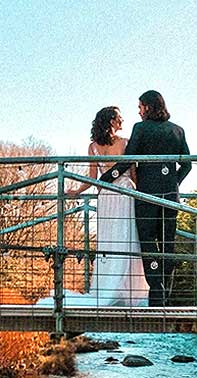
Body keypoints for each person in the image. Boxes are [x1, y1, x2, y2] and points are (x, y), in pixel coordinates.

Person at [38, 106, 148, 307]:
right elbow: (133, 173)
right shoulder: (125, 142)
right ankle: (128, 290)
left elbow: (92, 179)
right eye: (120, 118)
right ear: (112, 121)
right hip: (124, 194)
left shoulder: (93, 146)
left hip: (106, 195)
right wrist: (142, 194)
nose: (123, 121)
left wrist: (77, 192)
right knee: (127, 238)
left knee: (108, 240)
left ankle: (107, 286)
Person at [98, 90, 191, 306]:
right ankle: (165, 294)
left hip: (147, 194)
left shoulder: (141, 129)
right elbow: (187, 164)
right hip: (170, 195)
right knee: (168, 242)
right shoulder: (178, 130)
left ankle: (155, 291)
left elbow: (126, 162)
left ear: (147, 107)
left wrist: (105, 179)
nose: (138, 112)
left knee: (148, 243)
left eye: (140, 107)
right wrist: (173, 182)